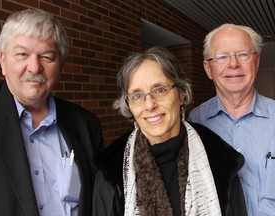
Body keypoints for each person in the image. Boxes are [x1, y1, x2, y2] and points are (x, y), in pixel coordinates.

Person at [92, 46, 247, 216]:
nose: (150, 105)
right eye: (137, 96)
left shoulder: (221, 160)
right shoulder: (110, 172)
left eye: (160, 90)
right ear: (129, 106)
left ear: (181, 94)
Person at [0, 8, 103, 216]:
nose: (34, 67)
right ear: (3, 60)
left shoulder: (86, 125)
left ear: (60, 66)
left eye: (47, 57)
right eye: (22, 54)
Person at [188, 23, 275, 216]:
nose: (233, 64)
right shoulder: (194, 123)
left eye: (243, 54)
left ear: (257, 61)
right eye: (221, 57)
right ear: (208, 69)